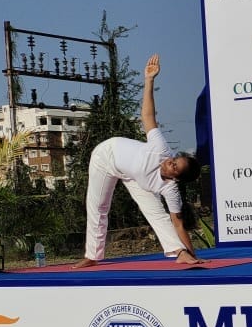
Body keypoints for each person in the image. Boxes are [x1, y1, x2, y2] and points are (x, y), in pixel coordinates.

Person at [73, 54, 203, 268]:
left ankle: (180, 253)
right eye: (174, 159)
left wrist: (192, 254)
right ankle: (92, 256)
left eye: (174, 166)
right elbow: (148, 116)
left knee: (157, 213)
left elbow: (177, 223)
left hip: (133, 176)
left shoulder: (170, 189)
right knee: (97, 205)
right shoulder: (161, 149)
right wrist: (149, 80)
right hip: (106, 156)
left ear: (176, 178)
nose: (169, 161)